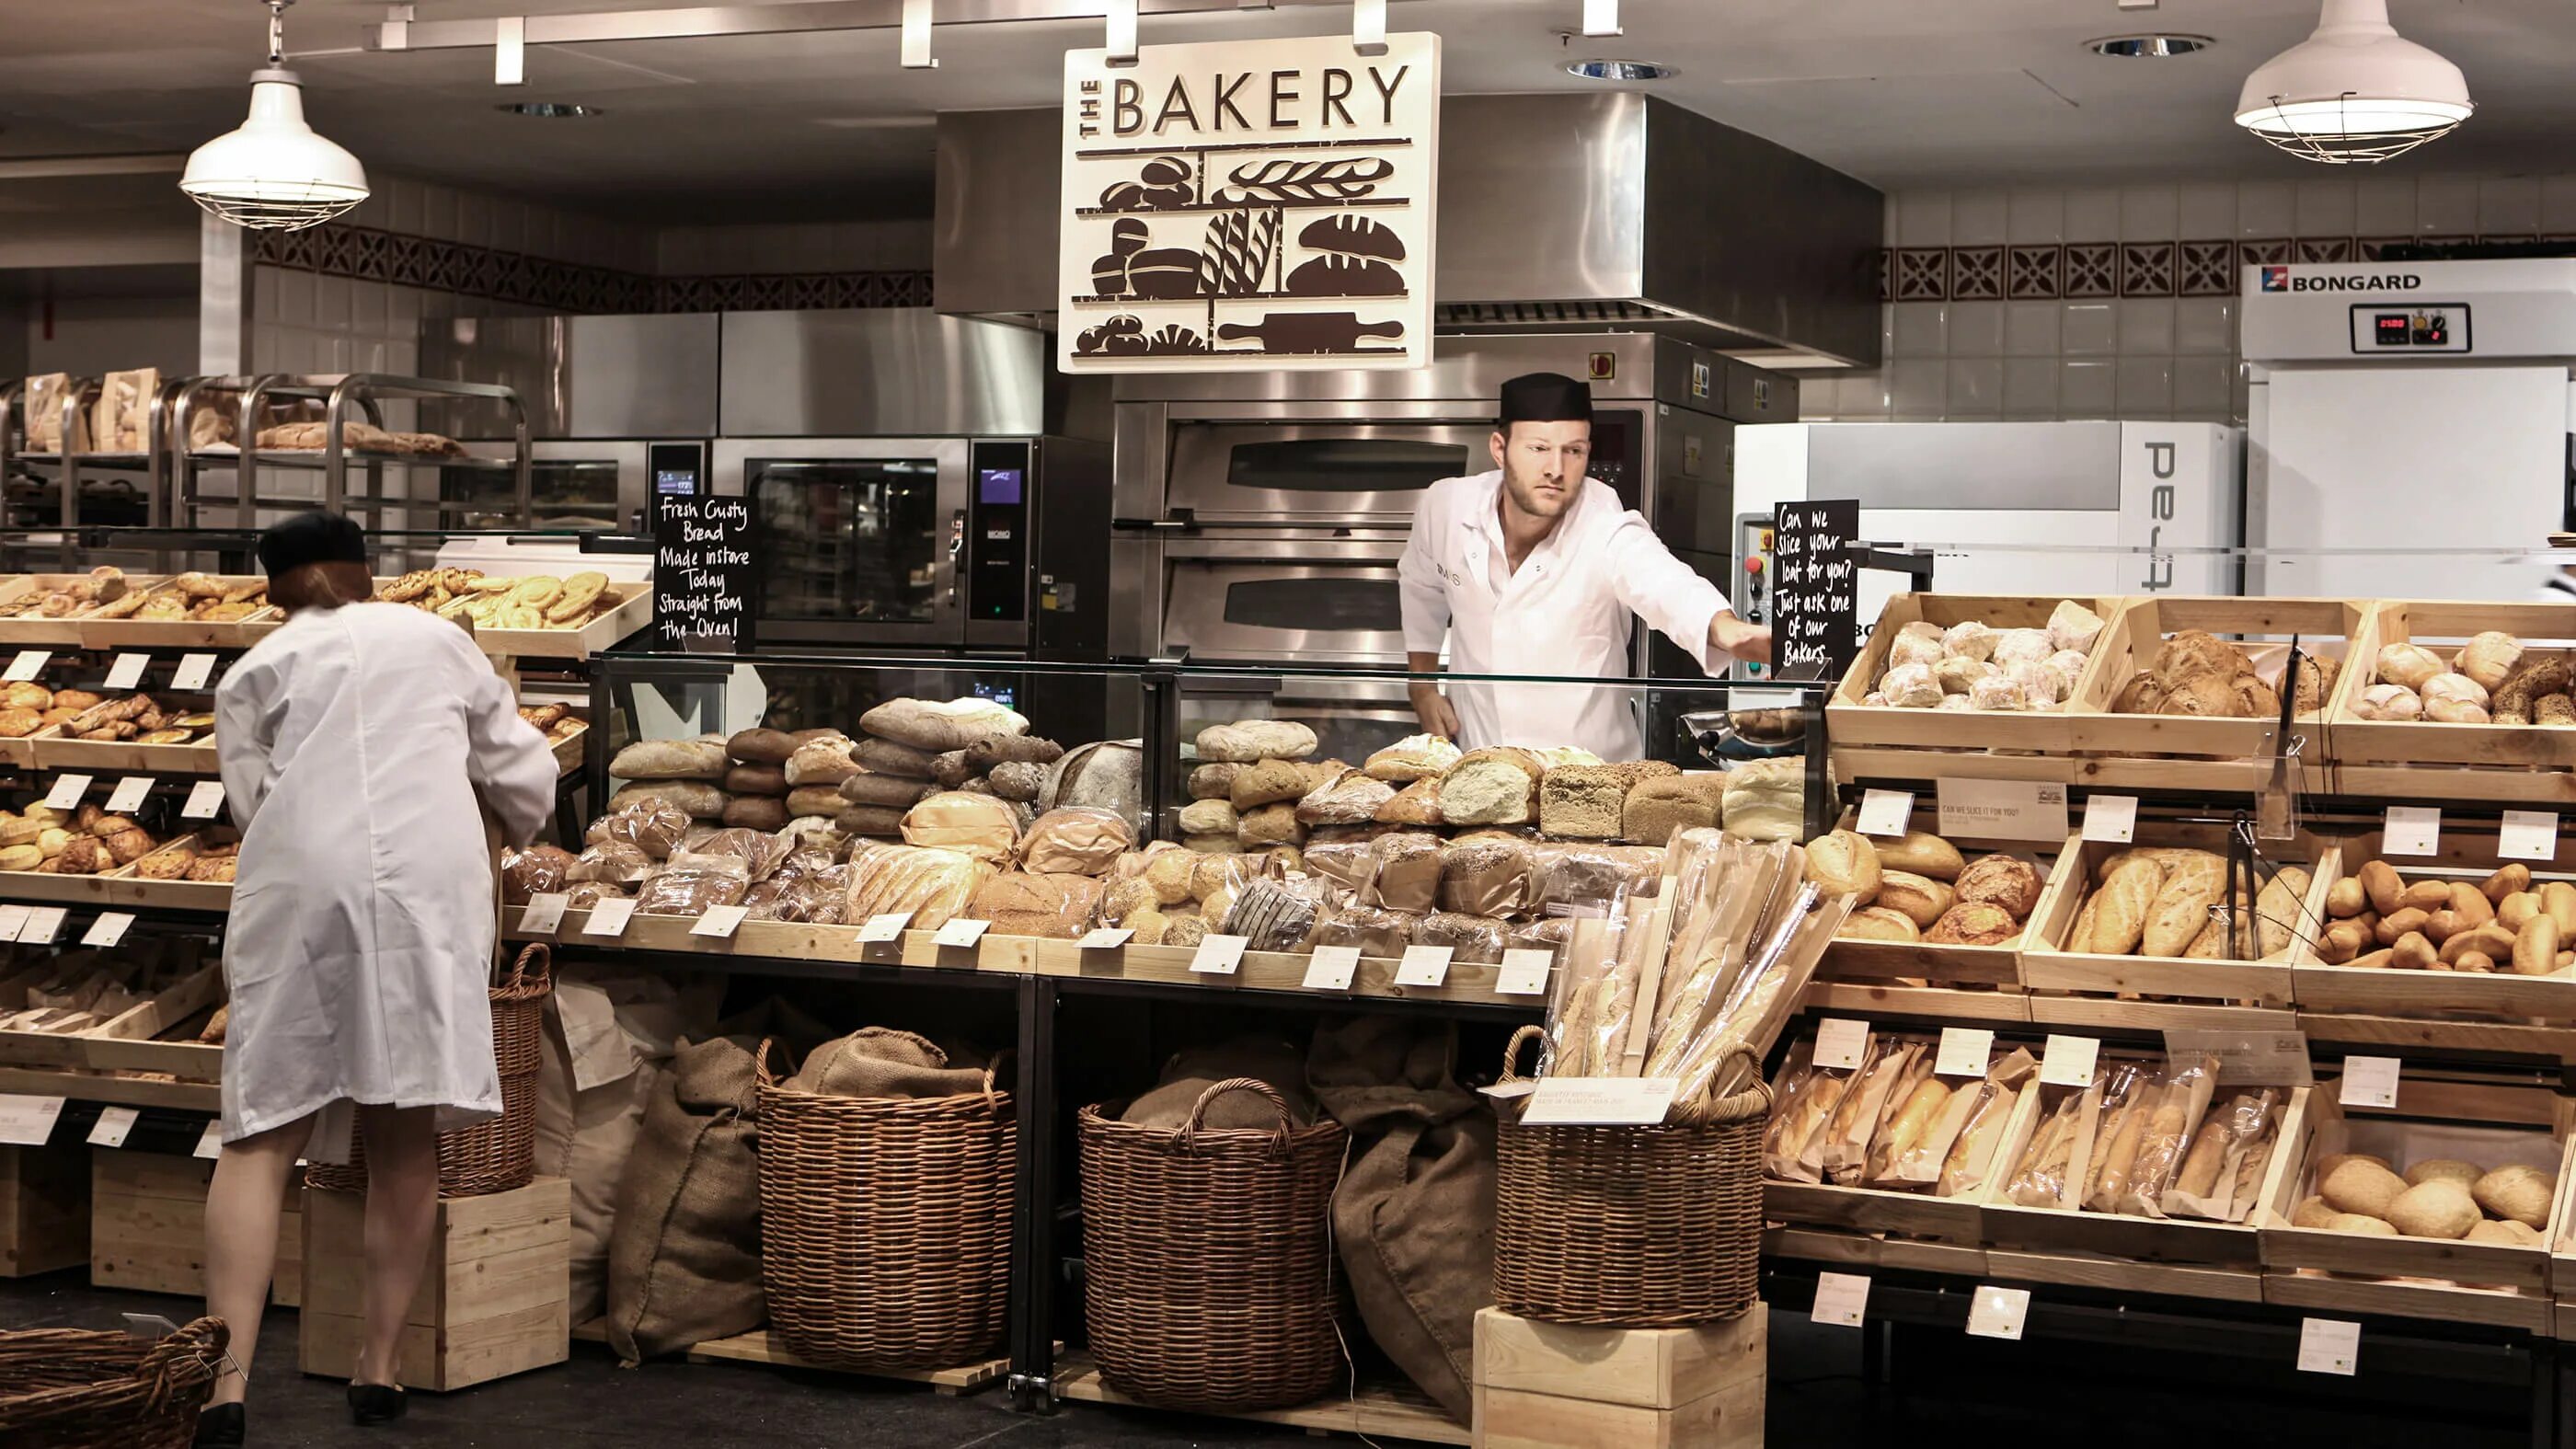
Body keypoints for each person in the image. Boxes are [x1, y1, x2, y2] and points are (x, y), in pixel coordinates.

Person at [195, 512, 557, 1447]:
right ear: (367, 571)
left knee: (262, 1130)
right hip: (426, 890)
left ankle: (225, 1387)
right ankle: (381, 1368)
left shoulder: (254, 671)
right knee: (404, 1132)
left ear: (274, 587)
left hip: (300, 886)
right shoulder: (438, 640)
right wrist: (515, 826)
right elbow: (521, 769)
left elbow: (249, 804)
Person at [1397, 371, 1771, 760]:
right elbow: (1420, 584)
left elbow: (1666, 585)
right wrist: (1421, 685)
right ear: (1499, 448)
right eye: (1538, 448)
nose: (1555, 469)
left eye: (1573, 451)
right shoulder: (1445, 508)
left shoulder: (1605, 527)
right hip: (1482, 775)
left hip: (1589, 789)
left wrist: (1729, 631)